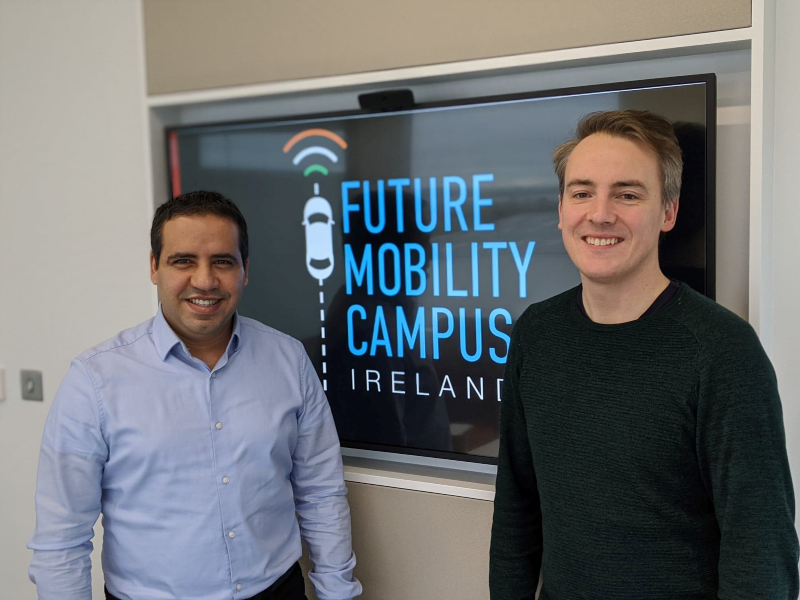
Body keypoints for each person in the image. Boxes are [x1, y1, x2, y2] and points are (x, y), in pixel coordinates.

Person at [489, 110, 799, 599]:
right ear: (562, 208)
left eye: (628, 194)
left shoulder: (722, 352)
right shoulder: (535, 335)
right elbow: (516, 506)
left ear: (668, 211)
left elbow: (760, 550)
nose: (600, 213)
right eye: (582, 191)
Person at [28, 191, 362, 600]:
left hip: (278, 591)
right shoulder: (94, 379)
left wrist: (337, 592)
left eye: (222, 261)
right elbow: (62, 538)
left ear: (245, 270)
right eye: (183, 260)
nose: (204, 281)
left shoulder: (287, 358)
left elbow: (320, 490)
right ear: (154, 267)